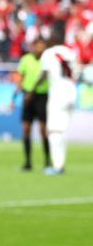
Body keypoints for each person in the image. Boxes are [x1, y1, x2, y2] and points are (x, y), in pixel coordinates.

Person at [28, 30, 79, 175]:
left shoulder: (49, 53)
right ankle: (60, 162)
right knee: (62, 129)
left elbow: (43, 74)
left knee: (54, 131)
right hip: (71, 92)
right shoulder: (71, 52)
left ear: (51, 41)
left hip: (58, 94)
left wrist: (33, 89)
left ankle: (57, 165)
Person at [12, 39, 50, 171]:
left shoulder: (47, 60)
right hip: (27, 96)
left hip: (41, 96)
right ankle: (27, 162)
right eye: (39, 47)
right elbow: (21, 78)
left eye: (43, 47)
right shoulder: (26, 59)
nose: (40, 50)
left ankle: (47, 161)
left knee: (43, 130)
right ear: (34, 47)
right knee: (26, 128)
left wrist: (30, 92)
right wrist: (14, 96)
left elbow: (44, 76)